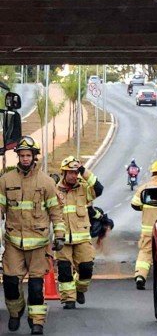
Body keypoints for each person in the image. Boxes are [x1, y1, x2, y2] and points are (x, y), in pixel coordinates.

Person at [0, 136, 65, 335]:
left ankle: (37, 322)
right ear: (18, 156)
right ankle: (16, 311)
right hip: (13, 243)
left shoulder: (46, 182)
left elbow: (56, 212)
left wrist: (59, 235)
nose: (25, 158)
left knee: (36, 288)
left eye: (28, 155)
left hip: (39, 245)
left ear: (34, 156)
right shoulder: (6, 181)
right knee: (11, 284)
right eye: (22, 155)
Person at [55, 156, 104, 310]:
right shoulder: (54, 191)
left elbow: (99, 188)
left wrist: (84, 170)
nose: (74, 176)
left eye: (76, 173)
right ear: (63, 173)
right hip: (63, 240)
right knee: (64, 271)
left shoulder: (84, 189)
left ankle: (80, 289)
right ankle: (68, 299)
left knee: (86, 269)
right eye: (70, 172)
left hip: (82, 239)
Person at [130, 160, 157, 290]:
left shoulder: (144, 188)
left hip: (148, 229)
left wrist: (145, 207)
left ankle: (140, 276)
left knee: (145, 253)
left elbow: (135, 204)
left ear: (152, 173)